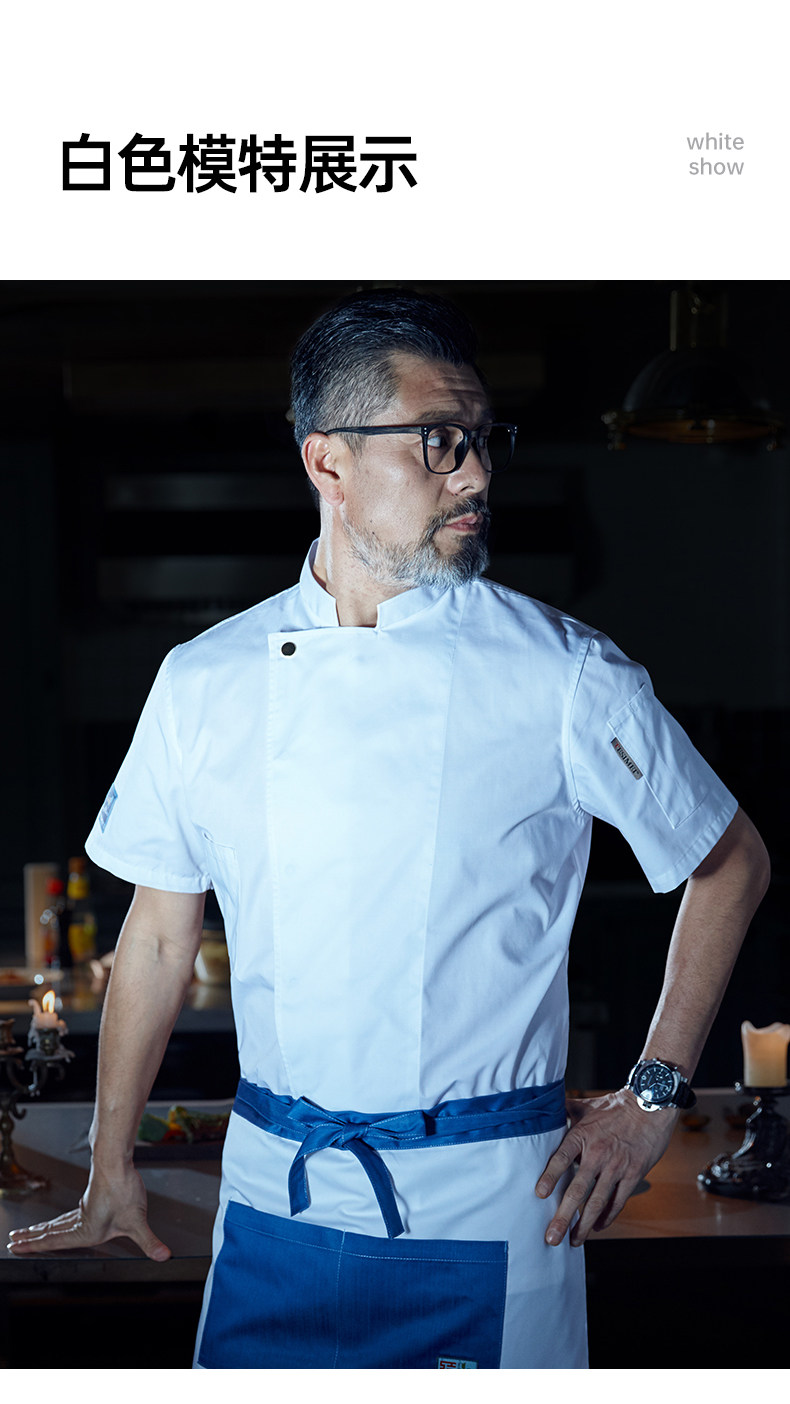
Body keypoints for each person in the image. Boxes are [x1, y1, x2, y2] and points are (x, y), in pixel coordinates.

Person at [9, 289, 770, 1369]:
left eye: (483, 441)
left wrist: (651, 1096)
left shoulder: (562, 673)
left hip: (488, 1206)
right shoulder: (202, 680)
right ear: (328, 461)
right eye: (439, 443)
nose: (478, 475)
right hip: (271, 1200)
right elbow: (161, 935)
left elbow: (731, 862)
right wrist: (110, 1161)